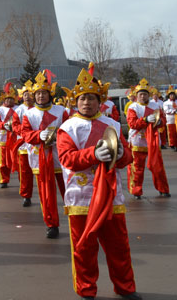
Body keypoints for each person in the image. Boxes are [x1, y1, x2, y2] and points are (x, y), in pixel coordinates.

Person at [56, 67, 141, 300]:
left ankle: (125, 287)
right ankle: (86, 289)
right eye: (82, 98)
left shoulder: (111, 124)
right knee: (84, 248)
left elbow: (126, 159)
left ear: (99, 101)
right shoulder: (67, 128)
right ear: (75, 101)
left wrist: (122, 152)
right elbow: (67, 160)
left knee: (118, 246)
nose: (86, 102)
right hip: (81, 196)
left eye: (91, 98)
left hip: (111, 195)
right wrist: (94, 154)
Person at [21, 71, 68, 238]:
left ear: (50, 94)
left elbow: (70, 130)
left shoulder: (62, 111)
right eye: (38, 93)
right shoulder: (29, 114)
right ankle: (51, 224)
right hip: (39, 158)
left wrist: (59, 138)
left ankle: (77, 217)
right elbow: (25, 133)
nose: (41, 96)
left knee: (70, 190)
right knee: (46, 195)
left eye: (44, 93)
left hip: (62, 157)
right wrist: (38, 136)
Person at [126, 78, 170, 199]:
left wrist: (160, 121)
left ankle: (163, 189)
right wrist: (145, 120)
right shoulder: (133, 107)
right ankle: (136, 191)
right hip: (137, 141)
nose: (143, 96)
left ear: (148, 95)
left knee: (158, 166)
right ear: (136, 95)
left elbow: (163, 121)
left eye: (145, 94)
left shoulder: (155, 105)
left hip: (153, 141)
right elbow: (132, 123)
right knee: (137, 168)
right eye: (140, 94)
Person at [13, 80, 34, 206]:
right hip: (23, 144)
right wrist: (25, 132)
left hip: (38, 144)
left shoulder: (38, 108)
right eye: (25, 94)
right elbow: (15, 125)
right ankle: (26, 195)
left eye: (30, 94)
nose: (27, 96)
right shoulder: (19, 110)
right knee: (25, 171)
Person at [0, 83, 19, 188]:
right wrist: (5, 125)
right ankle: (4, 179)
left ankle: (23, 181)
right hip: (3, 138)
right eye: (7, 99)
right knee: (3, 161)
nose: (9, 101)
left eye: (11, 99)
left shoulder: (19, 108)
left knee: (20, 161)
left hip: (17, 138)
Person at [163, 85, 177, 152]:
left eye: (173, 95)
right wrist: (174, 111)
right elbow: (166, 110)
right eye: (171, 95)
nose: (172, 96)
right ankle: (172, 145)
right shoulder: (166, 103)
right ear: (169, 96)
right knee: (171, 133)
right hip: (170, 120)